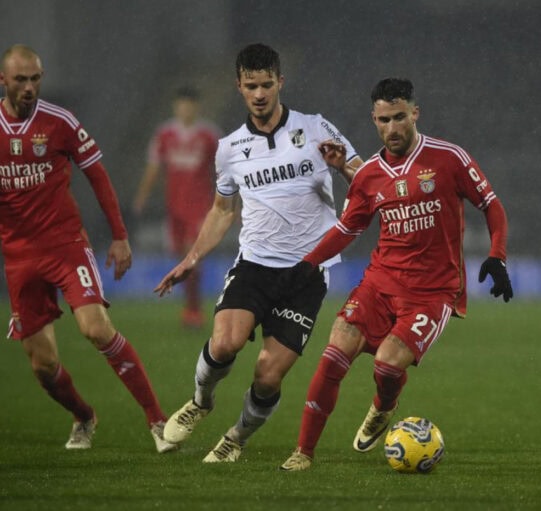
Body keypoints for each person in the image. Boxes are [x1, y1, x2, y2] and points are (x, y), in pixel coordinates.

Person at [279, 78, 513, 471]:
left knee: (387, 366)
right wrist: (307, 263)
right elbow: (347, 228)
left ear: (415, 113)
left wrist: (497, 255)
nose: (393, 128)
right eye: (384, 120)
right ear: (374, 119)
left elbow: (490, 204)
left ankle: (384, 405)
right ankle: (303, 452)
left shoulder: (448, 157)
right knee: (334, 354)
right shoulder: (369, 174)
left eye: (400, 117)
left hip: (434, 291)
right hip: (380, 283)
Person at [154, 43, 364, 463]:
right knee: (225, 342)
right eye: (251, 86)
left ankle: (237, 436)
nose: (260, 93)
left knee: (268, 373)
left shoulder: (316, 127)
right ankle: (200, 401)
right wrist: (190, 259)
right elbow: (221, 210)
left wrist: (343, 166)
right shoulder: (229, 149)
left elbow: (366, 177)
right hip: (254, 264)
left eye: (267, 84)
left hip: (306, 274)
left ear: (280, 82)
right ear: (240, 87)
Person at [0, 44, 176, 453]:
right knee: (43, 367)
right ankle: (83, 416)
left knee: (95, 328)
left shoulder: (59, 122)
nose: (29, 87)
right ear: (4, 81)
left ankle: (157, 420)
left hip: (66, 246)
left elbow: (96, 174)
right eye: (21, 80)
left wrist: (119, 235)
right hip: (19, 258)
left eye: (36, 79)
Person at [132, 86, 222, 329]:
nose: (186, 109)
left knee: (193, 257)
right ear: (176, 106)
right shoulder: (164, 134)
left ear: (196, 107)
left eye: (190, 104)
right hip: (174, 208)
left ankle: (194, 310)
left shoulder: (209, 135)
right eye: (182, 104)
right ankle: (191, 307)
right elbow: (154, 167)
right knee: (181, 258)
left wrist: (228, 202)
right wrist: (142, 196)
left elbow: (224, 170)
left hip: (200, 207)